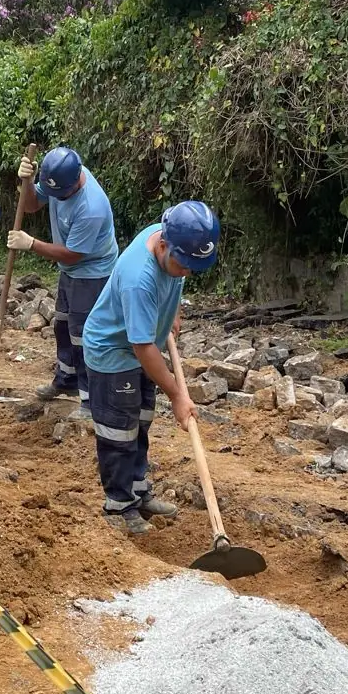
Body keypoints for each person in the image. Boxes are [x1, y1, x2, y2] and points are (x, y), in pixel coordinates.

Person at [81, 201, 221, 533]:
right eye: (183, 265)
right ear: (162, 246)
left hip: (144, 348)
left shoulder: (173, 244)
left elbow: (173, 284)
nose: (187, 272)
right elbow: (141, 347)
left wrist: (172, 313)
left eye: (193, 267)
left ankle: (138, 490)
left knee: (140, 422)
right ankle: (119, 506)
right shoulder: (137, 278)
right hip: (114, 354)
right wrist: (177, 395)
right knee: (119, 431)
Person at [6, 147, 118, 420]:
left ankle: (91, 401)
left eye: (60, 195)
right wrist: (28, 183)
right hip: (69, 270)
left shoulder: (92, 207)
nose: (56, 199)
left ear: (75, 182)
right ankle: (65, 381)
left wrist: (31, 243)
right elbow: (32, 205)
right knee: (63, 325)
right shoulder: (58, 178)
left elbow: (73, 253)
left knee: (83, 337)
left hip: (92, 272)